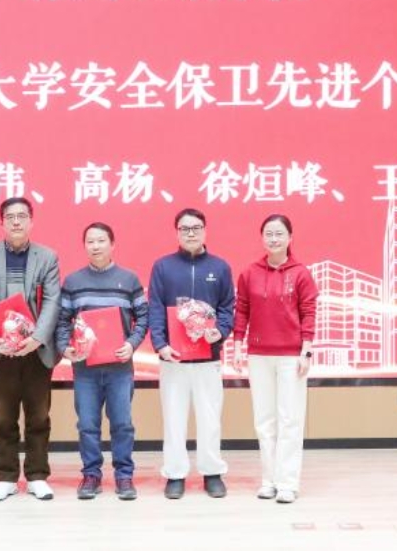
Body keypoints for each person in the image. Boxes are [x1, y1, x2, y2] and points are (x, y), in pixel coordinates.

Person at [0, 196, 62, 502]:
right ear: (2, 222)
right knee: (3, 416)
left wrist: (37, 337)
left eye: (22, 216)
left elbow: (53, 301)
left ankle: (37, 476)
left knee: (39, 416)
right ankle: (6, 477)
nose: (17, 221)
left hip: (36, 351)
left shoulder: (47, 257)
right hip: (0, 350)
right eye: (10, 217)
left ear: (31, 221)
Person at [55, 221, 148, 500]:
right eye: (90, 241)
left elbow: (143, 318)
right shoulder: (73, 282)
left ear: (112, 244)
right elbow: (62, 321)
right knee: (87, 425)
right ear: (84, 246)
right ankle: (91, 475)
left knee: (122, 424)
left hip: (120, 368)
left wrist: (131, 344)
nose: (95, 246)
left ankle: (124, 476)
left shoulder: (129, 279)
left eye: (101, 241)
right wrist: (65, 347)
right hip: (85, 369)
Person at [146, 206, 235, 500]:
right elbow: (155, 308)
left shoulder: (220, 267)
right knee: (173, 419)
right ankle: (175, 474)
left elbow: (227, 308)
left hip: (208, 357)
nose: (191, 233)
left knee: (211, 418)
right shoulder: (163, 267)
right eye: (184, 228)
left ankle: (212, 472)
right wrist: (161, 344)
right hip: (173, 358)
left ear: (205, 231)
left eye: (196, 227)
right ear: (177, 233)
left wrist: (219, 331)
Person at [233, 213, 320, 504]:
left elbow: (309, 313)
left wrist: (306, 351)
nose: (274, 239)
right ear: (262, 238)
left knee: (290, 419)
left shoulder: (301, 273)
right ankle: (268, 480)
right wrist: (237, 345)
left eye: (279, 233)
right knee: (264, 421)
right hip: (258, 355)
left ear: (290, 238)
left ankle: (288, 483)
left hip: (291, 357)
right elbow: (242, 311)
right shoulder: (250, 273)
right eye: (269, 234)